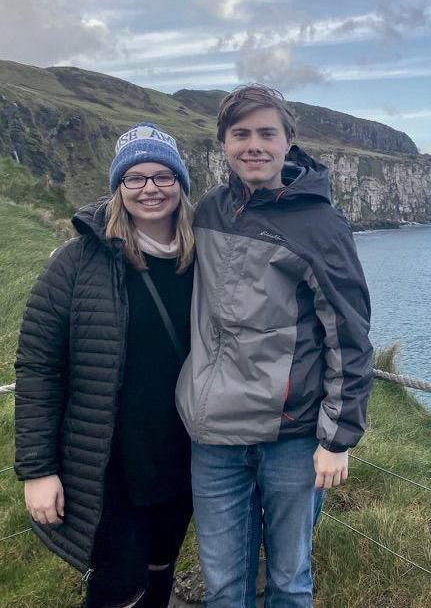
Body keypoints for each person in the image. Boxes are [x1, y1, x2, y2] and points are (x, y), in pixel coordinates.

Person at [175, 85, 373, 607]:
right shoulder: (209, 212)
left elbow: (350, 334)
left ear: (289, 142)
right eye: (241, 134)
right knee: (223, 586)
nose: (254, 145)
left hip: (290, 435)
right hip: (213, 435)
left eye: (268, 133)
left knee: (289, 582)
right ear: (223, 143)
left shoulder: (321, 223)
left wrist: (337, 438)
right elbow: (146, 235)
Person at [14, 122, 195, 608]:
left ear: (181, 184)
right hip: (105, 461)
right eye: (135, 178)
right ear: (118, 188)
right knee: (118, 586)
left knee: (160, 570)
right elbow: (37, 366)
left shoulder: (206, 260)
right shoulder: (76, 262)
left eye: (163, 176)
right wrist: (38, 469)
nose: (150, 189)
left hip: (183, 454)